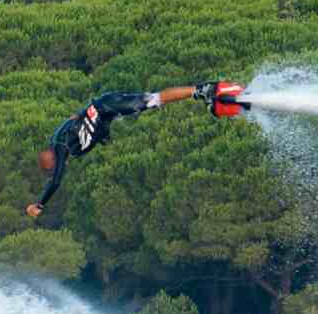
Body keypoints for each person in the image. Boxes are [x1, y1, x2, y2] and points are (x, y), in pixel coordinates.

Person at [26, 81, 244, 217]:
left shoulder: (61, 145)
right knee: (153, 101)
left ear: (53, 160)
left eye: (53, 164)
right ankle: (203, 93)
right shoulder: (67, 145)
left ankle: (202, 89)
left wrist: (40, 204)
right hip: (108, 111)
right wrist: (103, 134)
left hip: (107, 105)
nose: (56, 165)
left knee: (154, 100)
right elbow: (78, 119)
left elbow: (56, 181)